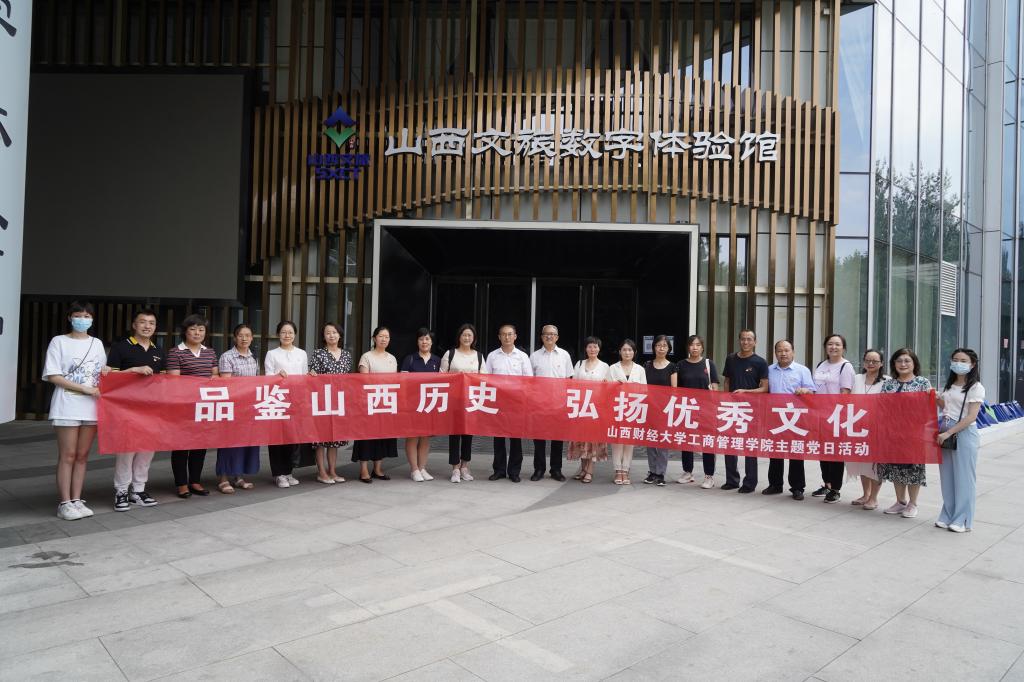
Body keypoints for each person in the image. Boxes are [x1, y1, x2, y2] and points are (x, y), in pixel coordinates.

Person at [44, 301, 107, 521]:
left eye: (87, 316)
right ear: (70, 317)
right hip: (67, 404)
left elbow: (102, 372)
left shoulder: (96, 343)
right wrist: (83, 388)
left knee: (82, 456)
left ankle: (77, 499)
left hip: (91, 407)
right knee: (68, 455)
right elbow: (53, 375)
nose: (83, 319)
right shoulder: (59, 341)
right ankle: (65, 503)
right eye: (78, 315)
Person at [103, 308, 165, 511]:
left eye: (151, 323)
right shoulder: (121, 348)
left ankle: (138, 490)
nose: (147, 326)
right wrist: (133, 371)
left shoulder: (158, 351)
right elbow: (109, 379)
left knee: (146, 451)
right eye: (143, 322)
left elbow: (165, 382)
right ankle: (121, 491)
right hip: (126, 408)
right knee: (127, 450)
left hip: (151, 409)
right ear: (134, 325)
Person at [166, 314, 219, 498]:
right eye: (193, 329)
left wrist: (213, 380)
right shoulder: (175, 352)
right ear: (185, 331)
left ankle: (195, 481)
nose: (197, 333)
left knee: (200, 445)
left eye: (201, 329)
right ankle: (181, 483)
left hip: (204, 406)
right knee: (181, 446)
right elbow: (174, 381)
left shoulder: (210, 352)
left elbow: (215, 375)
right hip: (183, 406)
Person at [877, 348, 931, 519]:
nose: (903, 364)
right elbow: (882, 407)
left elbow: (929, 408)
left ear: (914, 363)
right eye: (899, 361)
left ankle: (913, 503)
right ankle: (900, 502)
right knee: (896, 468)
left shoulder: (922, 383)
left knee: (913, 469)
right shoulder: (889, 384)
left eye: (907, 361)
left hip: (915, 434)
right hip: (893, 433)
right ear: (894, 364)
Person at [935, 348, 985, 533]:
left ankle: (962, 519)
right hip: (946, 429)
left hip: (963, 433)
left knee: (964, 478)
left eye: (963, 361)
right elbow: (947, 408)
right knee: (947, 476)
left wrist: (949, 433)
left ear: (972, 364)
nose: (958, 363)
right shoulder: (950, 384)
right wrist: (937, 399)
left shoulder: (976, 387)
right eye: (955, 359)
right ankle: (947, 514)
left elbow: (971, 417)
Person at [763, 340, 816, 500]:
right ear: (775, 353)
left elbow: (812, 392)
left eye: (786, 350)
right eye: (780, 350)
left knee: (796, 452)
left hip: (795, 417)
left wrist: (805, 390)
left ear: (793, 352)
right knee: (775, 451)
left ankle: (797, 487)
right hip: (775, 416)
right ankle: (775, 484)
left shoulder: (802, 370)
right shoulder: (769, 370)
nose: (783, 353)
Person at [216, 323, 262, 493]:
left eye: (247, 335)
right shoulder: (227, 356)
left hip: (249, 407)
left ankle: (238, 476)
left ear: (252, 338)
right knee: (228, 442)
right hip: (232, 406)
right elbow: (226, 384)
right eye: (241, 335)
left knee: (244, 442)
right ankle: (223, 479)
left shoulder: (253, 357)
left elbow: (256, 381)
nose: (244, 338)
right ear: (235, 338)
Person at [722, 329, 769, 492]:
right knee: (729, 445)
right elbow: (727, 381)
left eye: (749, 339)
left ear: (755, 342)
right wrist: (726, 398)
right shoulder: (730, 359)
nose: (746, 342)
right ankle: (732, 480)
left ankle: (749, 483)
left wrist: (746, 392)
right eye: (743, 339)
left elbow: (764, 388)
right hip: (731, 408)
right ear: (739, 340)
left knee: (750, 446)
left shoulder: (760, 362)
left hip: (751, 410)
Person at [264, 320, 308, 488]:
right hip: (277, 400)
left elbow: (304, 377)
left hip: (296, 401)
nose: (287, 335)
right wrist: (277, 374)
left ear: (295, 334)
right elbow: (267, 377)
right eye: (283, 332)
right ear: (278, 335)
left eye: (290, 332)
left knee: (292, 437)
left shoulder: (302, 353)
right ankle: (278, 473)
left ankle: (288, 471)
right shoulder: (272, 354)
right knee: (277, 437)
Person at [485, 324, 533, 482]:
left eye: (510, 334)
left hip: (516, 402)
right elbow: (486, 379)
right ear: (499, 337)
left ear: (515, 336)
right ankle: (499, 470)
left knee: (515, 438)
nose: (507, 337)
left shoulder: (522, 356)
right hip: (497, 402)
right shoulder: (492, 356)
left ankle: (514, 471)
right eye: (504, 334)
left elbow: (529, 380)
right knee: (498, 438)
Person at [811, 334, 855, 503]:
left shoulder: (845, 367)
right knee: (823, 451)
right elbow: (815, 389)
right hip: (820, 416)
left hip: (836, 417)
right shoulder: (821, 365)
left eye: (837, 344)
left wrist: (835, 413)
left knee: (835, 452)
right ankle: (827, 484)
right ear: (825, 346)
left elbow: (845, 393)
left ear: (843, 348)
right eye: (830, 344)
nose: (833, 347)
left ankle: (835, 489)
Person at [441, 323, 487, 483]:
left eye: (469, 335)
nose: (467, 338)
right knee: (454, 434)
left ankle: (464, 466)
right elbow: (441, 376)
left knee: (468, 434)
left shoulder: (479, 356)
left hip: (472, 401)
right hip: (454, 400)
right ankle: (455, 468)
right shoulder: (450, 354)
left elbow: (484, 378)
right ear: (459, 337)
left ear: (474, 338)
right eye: (464, 335)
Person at [353, 326, 399, 483]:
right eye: (381, 336)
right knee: (366, 436)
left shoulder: (392, 358)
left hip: (386, 401)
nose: (384, 339)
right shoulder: (366, 357)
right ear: (374, 338)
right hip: (369, 401)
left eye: (387, 337)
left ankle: (378, 469)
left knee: (382, 435)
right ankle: (364, 470)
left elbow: (395, 380)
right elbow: (363, 380)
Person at [309, 322, 353, 484]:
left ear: (340, 335)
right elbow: (313, 376)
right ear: (324, 336)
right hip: (322, 400)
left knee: (335, 438)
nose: (331, 335)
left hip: (339, 401)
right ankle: (321, 472)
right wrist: (312, 375)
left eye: (334, 332)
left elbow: (349, 378)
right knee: (321, 439)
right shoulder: (318, 353)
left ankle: (333, 471)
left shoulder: (347, 355)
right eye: (328, 333)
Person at [674, 334, 720, 489]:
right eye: (692, 345)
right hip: (687, 408)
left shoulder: (708, 364)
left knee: (707, 442)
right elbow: (676, 388)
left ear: (702, 347)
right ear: (688, 347)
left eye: (698, 345)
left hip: (706, 409)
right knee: (687, 441)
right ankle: (688, 472)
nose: (695, 348)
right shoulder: (681, 365)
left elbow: (715, 386)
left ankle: (709, 476)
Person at [529, 324, 574, 482]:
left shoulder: (564, 355)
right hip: (539, 404)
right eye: (546, 334)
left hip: (558, 404)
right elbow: (529, 381)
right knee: (539, 439)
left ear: (557, 337)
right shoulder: (534, 356)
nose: (549, 336)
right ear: (542, 337)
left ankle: (556, 470)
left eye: (552, 334)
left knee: (557, 439)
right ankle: (539, 469)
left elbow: (569, 380)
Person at [567, 336, 610, 484]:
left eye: (595, 346)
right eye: (590, 346)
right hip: (580, 407)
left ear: (599, 348)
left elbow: (608, 387)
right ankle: (583, 469)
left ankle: (590, 471)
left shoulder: (605, 366)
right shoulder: (579, 364)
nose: (592, 349)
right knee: (581, 439)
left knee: (593, 440)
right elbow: (572, 384)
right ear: (585, 349)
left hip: (595, 408)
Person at [401, 327, 441, 482]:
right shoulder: (409, 359)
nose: (424, 342)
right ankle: (414, 469)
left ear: (431, 342)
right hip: (412, 404)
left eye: (427, 339)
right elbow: (403, 383)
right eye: (421, 339)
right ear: (417, 342)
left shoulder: (437, 360)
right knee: (412, 437)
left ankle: (422, 468)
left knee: (425, 437)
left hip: (430, 404)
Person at [849, 349, 887, 510]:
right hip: (858, 427)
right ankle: (865, 494)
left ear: (881, 363)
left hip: (878, 429)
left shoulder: (886, 381)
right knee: (862, 463)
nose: (871, 364)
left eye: (875, 361)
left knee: (875, 464)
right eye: (867, 360)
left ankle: (874, 498)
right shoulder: (857, 378)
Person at [609, 338, 647, 485]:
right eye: (624, 350)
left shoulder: (640, 369)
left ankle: (626, 469)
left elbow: (645, 390)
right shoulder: (613, 368)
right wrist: (615, 385)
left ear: (634, 352)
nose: (627, 352)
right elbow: (605, 389)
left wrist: (635, 387)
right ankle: (617, 470)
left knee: (629, 440)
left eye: (630, 350)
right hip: (616, 409)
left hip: (633, 409)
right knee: (617, 440)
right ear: (620, 352)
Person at [643, 335, 678, 487]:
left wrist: (670, 409)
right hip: (649, 408)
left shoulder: (672, 367)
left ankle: (660, 473)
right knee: (650, 441)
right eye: (658, 345)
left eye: (664, 345)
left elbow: (674, 391)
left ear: (669, 348)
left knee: (663, 441)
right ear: (654, 347)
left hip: (665, 409)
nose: (661, 348)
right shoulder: (647, 365)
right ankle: (652, 471)